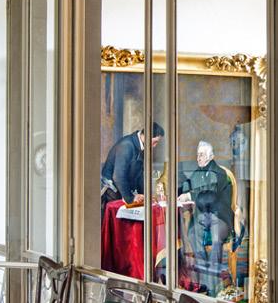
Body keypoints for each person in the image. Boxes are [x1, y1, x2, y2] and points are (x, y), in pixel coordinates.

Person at [178, 141, 241, 288]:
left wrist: (189, 195)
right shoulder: (198, 172)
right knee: (192, 234)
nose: (198, 158)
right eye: (197, 155)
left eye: (201, 155)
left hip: (220, 217)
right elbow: (188, 185)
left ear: (210, 156)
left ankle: (212, 285)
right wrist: (179, 191)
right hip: (203, 217)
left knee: (216, 238)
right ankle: (205, 277)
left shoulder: (219, 173)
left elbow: (210, 193)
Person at [101, 122, 165, 208]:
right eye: (155, 142)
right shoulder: (127, 145)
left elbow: (139, 175)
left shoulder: (141, 145)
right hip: (113, 193)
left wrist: (145, 196)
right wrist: (131, 198)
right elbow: (118, 176)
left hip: (123, 192)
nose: (154, 146)